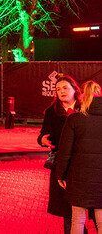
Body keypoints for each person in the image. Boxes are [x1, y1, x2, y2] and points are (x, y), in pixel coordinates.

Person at [56, 80, 102, 234]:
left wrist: (60, 174)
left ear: (82, 96)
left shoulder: (74, 119)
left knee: (78, 219)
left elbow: (65, 151)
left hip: (78, 177)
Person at [38, 74, 81, 233]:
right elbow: (42, 134)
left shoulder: (85, 107)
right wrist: (43, 139)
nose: (61, 91)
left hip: (82, 163)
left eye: (65, 88)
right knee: (67, 209)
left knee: (86, 206)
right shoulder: (51, 111)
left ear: (74, 89)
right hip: (62, 164)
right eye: (57, 89)